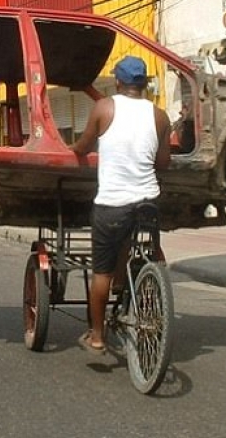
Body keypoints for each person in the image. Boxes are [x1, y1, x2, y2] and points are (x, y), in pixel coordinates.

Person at [70, 55, 172, 353]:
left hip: (112, 204)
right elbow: (163, 163)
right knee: (136, 239)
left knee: (100, 272)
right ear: (143, 83)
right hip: (147, 203)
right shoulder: (160, 116)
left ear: (118, 81)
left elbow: (83, 146)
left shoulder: (104, 107)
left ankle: (98, 336)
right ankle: (143, 283)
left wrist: (71, 149)